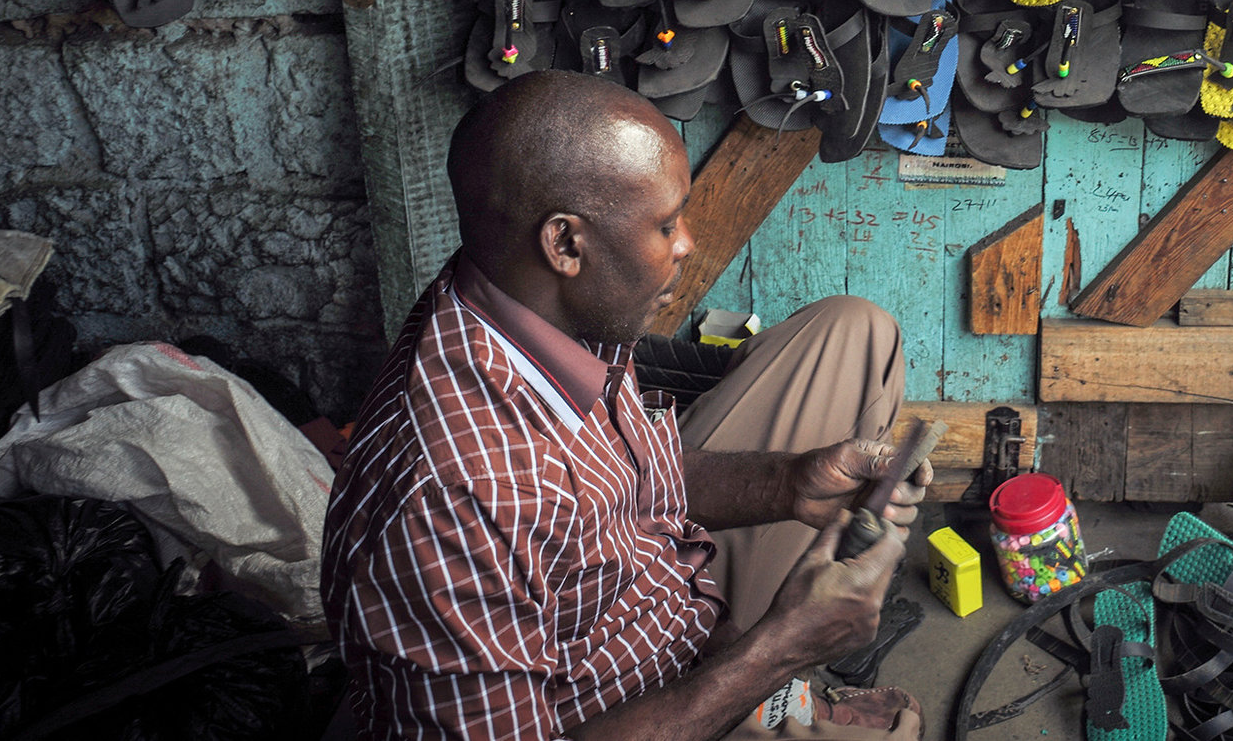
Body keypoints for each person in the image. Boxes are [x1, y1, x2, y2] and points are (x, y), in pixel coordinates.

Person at [322, 71, 929, 741]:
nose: (686, 244)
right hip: (616, 710)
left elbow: (639, 483)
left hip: (663, 598)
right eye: (665, 224)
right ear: (565, 244)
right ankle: (768, 706)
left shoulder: (539, 306)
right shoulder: (454, 498)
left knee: (854, 330)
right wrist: (778, 651)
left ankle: (765, 698)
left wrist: (790, 484)